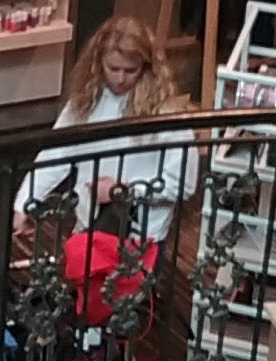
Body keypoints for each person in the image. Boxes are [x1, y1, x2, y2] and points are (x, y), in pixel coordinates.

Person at [13, 15, 198, 250]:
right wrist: (27, 202)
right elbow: (56, 154)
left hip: (142, 237)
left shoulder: (166, 112)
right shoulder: (85, 101)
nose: (120, 79)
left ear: (145, 67)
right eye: (113, 69)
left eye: (130, 70)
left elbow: (183, 183)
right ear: (99, 62)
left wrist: (122, 191)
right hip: (89, 227)